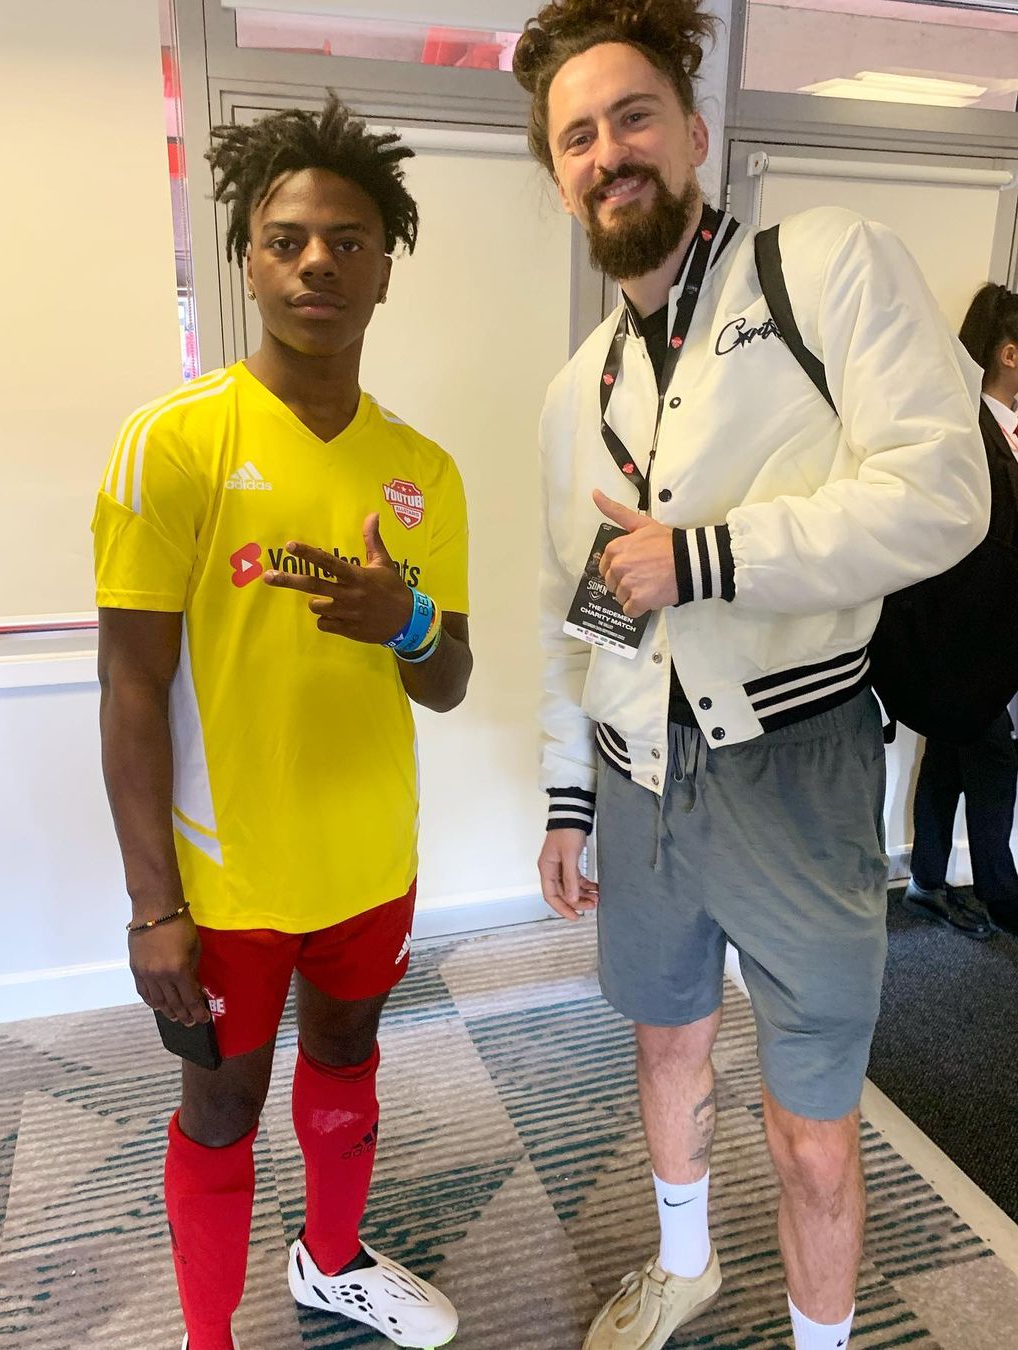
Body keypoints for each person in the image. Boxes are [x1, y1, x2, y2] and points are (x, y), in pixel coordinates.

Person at [512, 3, 988, 1348]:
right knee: (665, 1037)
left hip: (798, 769)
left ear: (696, 128)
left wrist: (708, 557)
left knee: (812, 1122)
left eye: (634, 117)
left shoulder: (824, 266)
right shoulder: (575, 389)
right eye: (577, 137)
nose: (609, 153)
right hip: (637, 783)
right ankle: (685, 1265)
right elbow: (573, 607)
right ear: (559, 176)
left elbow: (944, 492)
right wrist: (567, 796)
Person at [94, 95, 470, 1350]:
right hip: (226, 877)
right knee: (221, 1106)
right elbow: (130, 686)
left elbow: (449, 680)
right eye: (287, 239)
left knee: (349, 1058)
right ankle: (209, 1337)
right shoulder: (173, 444)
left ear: (384, 268)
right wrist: (153, 907)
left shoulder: (423, 470)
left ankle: (332, 1260)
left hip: (369, 855)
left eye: (348, 240)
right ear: (248, 262)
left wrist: (406, 623)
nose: (318, 262)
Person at [904, 284, 1018, 940]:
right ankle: (1003, 896)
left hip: (980, 636)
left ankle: (925, 882)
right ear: (1009, 353)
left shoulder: (998, 429)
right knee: (994, 759)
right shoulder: (969, 431)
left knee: (948, 758)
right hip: (967, 637)